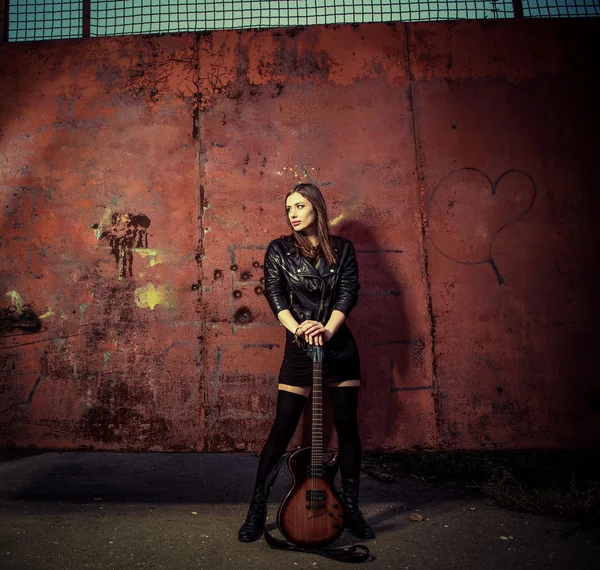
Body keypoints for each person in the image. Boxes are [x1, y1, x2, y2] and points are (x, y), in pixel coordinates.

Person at [238, 182, 375, 542]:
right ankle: (256, 511)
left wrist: (328, 329)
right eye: (288, 209)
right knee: (282, 427)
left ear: (316, 207)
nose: (293, 214)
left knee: (347, 428)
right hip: (300, 347)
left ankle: (351, 508)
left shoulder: (342, 250)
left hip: (339, 347)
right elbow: (274, 293)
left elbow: (349, 290)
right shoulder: (279, 250)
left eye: (299, 206)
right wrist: (300, 328)